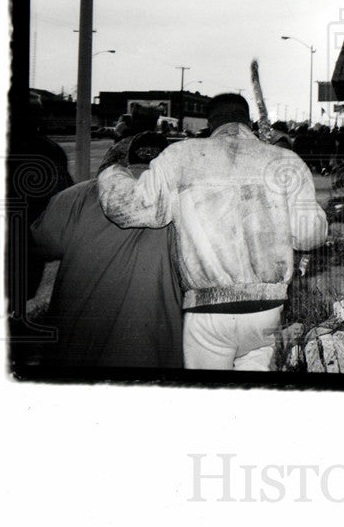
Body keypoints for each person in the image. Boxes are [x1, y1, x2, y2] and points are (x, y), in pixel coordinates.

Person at [96, 93, 328, 371]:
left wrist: (112, 172)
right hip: (267, 310)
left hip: (208, 310)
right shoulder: (286, 162)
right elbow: (310, 235)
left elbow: (129, 208)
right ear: (248, 120)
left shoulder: (181, 156)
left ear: (210, 122)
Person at [27, 132, 184, 368]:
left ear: (127, 161)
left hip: (75, 350)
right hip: (153, 351)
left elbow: (40, 243)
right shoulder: (186, 201)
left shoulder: (77, 195)